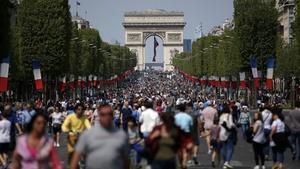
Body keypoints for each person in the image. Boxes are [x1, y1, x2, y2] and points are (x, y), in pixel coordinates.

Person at [70, 103, 129, 169]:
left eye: (109, 114)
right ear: (99, 116)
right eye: (103, 114)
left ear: (112, 116)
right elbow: (75, 158)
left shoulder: (121, 135)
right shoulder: (88, 134)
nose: (107, 117)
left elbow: (126, 160)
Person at [175, 103, 194, 169]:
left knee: (179, 150)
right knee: (186, 150)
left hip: (178, 134)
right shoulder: (188, 117)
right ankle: (184, 163)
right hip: (186, 134)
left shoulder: (176, 116)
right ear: (185, 109)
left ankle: (181, 163)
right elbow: (191, 126)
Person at [219, 104, 236, 169]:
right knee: (230, 148)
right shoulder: (229, 115)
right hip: (228, 133)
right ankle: (227, 162)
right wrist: (235, 126)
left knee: (223, 148)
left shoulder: (221, 116)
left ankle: (224, 162)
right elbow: (231, 124)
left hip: (221, 133)